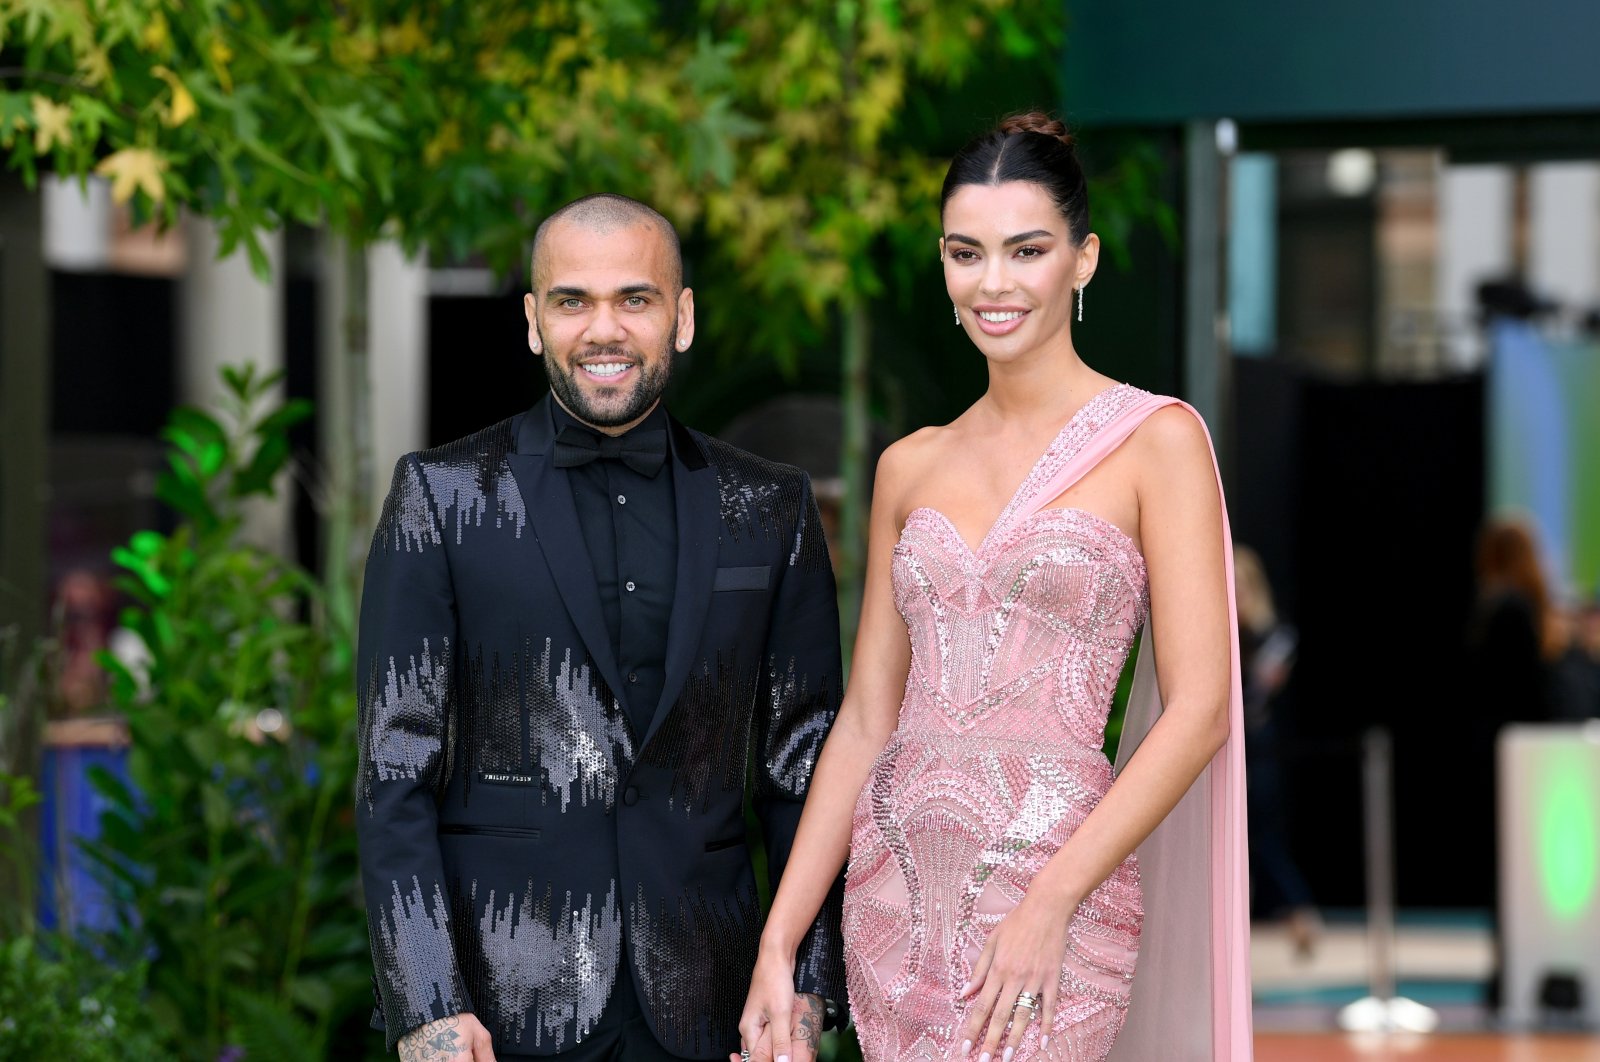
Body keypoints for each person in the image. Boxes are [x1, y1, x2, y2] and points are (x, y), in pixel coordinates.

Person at [733, 114, 1251, 1062]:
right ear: (943, 263)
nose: (995, 283)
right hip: (893, 900)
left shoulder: (1155, 442)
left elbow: (1201, 711)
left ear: (1083, 260)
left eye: (1028, 250)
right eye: (967, 253)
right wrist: (779, 940)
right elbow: (864, 723)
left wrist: (1056, 896)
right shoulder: (909, 466)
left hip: (1063, 896)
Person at [356, 194, 848, 1062]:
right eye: (572, 301)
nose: (603, 329)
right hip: (498, 1014)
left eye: (635, 298)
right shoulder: (441, 498)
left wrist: (805, 991)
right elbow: (394, 773)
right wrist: (428, 1002)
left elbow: (807, 774)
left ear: (682, 316)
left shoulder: (770, 507)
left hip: (717, 1007)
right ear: (534, 322)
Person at [1234, 545, 1319, 957]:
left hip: (1258, 748)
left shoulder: (1273, 637)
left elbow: (1255, 695)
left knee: (1262, 837)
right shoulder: (1220, 631)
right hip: (1226, 744)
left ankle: (1299, 912)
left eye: (1241, 583)